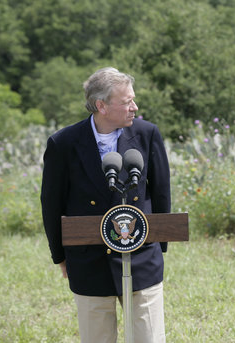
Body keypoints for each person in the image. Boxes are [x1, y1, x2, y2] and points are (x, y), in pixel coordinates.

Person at [41, 67, 171, 343]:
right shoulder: (63, 143)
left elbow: (161, 192)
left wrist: (159, 247)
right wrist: (60, 255)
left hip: (141, 254)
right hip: (89, 258)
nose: (134, 107)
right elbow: (51, 203)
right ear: (101, 105)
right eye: (126, 102)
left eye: (133, 100)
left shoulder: (147, 134)